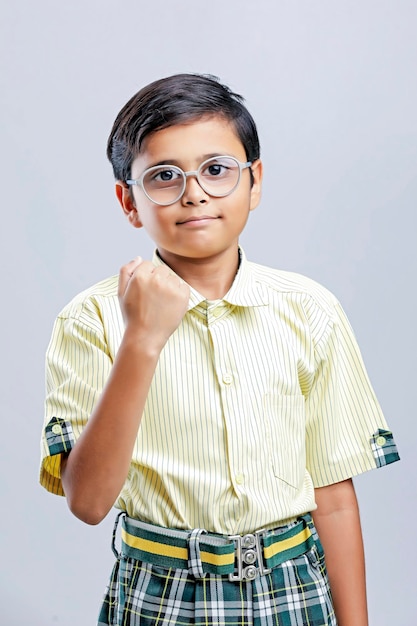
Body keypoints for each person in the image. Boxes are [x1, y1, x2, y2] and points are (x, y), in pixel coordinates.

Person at [40, 73, 399, 626]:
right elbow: (87, 503)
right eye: (163, 176)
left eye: (215, 170)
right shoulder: (91, 320)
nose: (194, 193)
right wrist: (142, 337)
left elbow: (332, 495)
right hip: (161, 598)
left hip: (293, 591)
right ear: (128, 201)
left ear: (254, 182)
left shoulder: (310, 310)